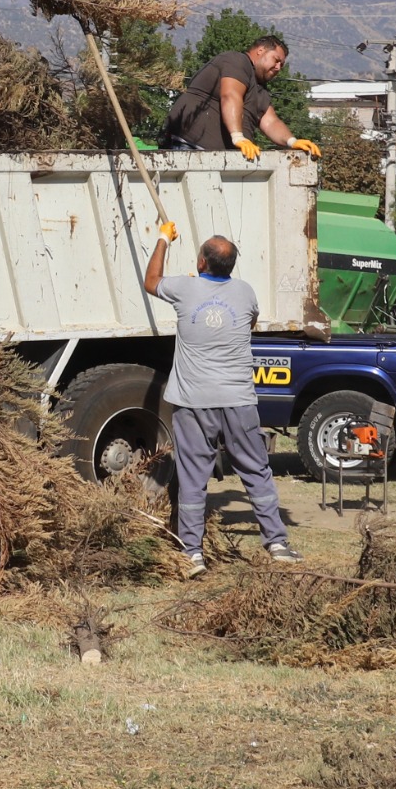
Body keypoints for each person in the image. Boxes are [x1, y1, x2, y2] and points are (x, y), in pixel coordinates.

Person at [143, 221, 296, 577]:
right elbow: (251, 321)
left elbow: (151, 281)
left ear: (201, 263)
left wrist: (164, 239)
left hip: (194, 402)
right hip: (238, 400)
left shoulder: (184, 289)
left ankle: (192, 554)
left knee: (194, 477)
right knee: (256, 470)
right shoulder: (244, 293)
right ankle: (276, 543)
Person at [160, 33, 324, 164]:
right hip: (189, 151)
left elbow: (270, 121)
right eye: (276, 60)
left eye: (282, 65)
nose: (278, 67)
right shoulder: (237, 61)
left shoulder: (259, 89)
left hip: (222, 160)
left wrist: (292, 141)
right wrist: (238, 137)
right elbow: (230, 95)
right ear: (261, 50)